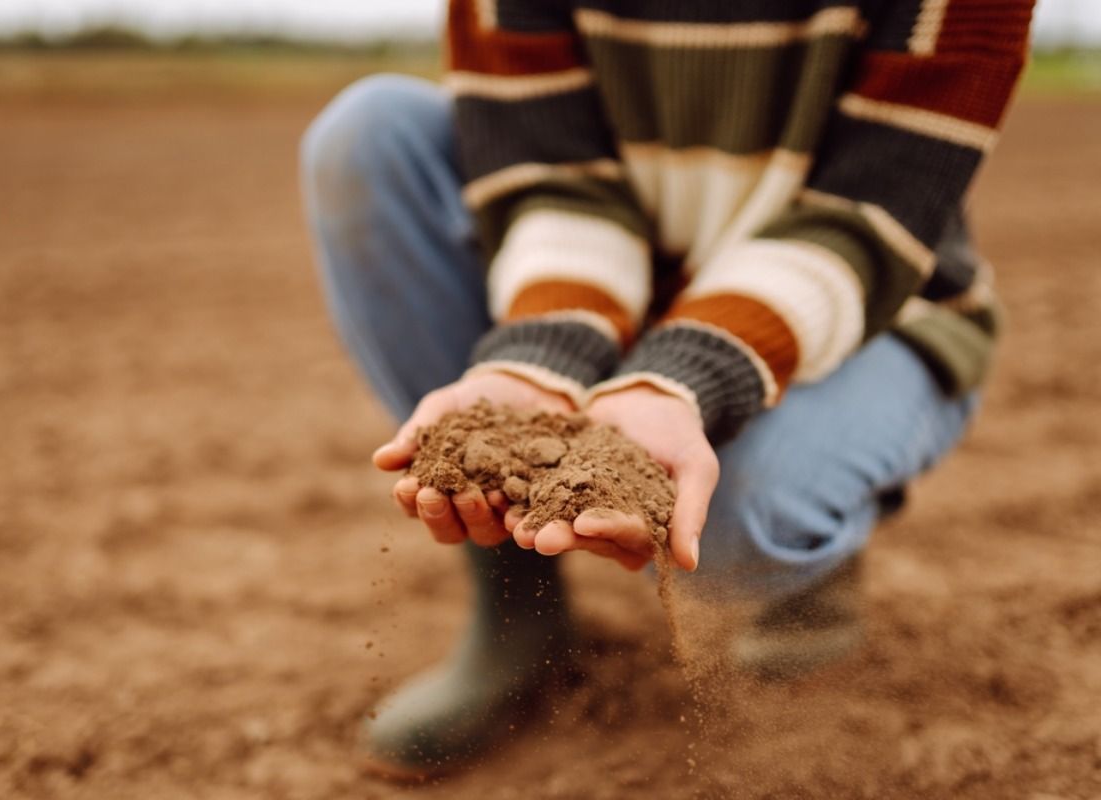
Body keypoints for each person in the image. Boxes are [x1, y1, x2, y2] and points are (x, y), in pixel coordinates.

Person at [301, 0, 1034, 778]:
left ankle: (821, 547)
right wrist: (537, 359)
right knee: (370, 134)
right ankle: (520, 614)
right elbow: (559, 184)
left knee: (721, 529)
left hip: (868, 299)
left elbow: (865, 218)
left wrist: (680, 380)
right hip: (622, 280)